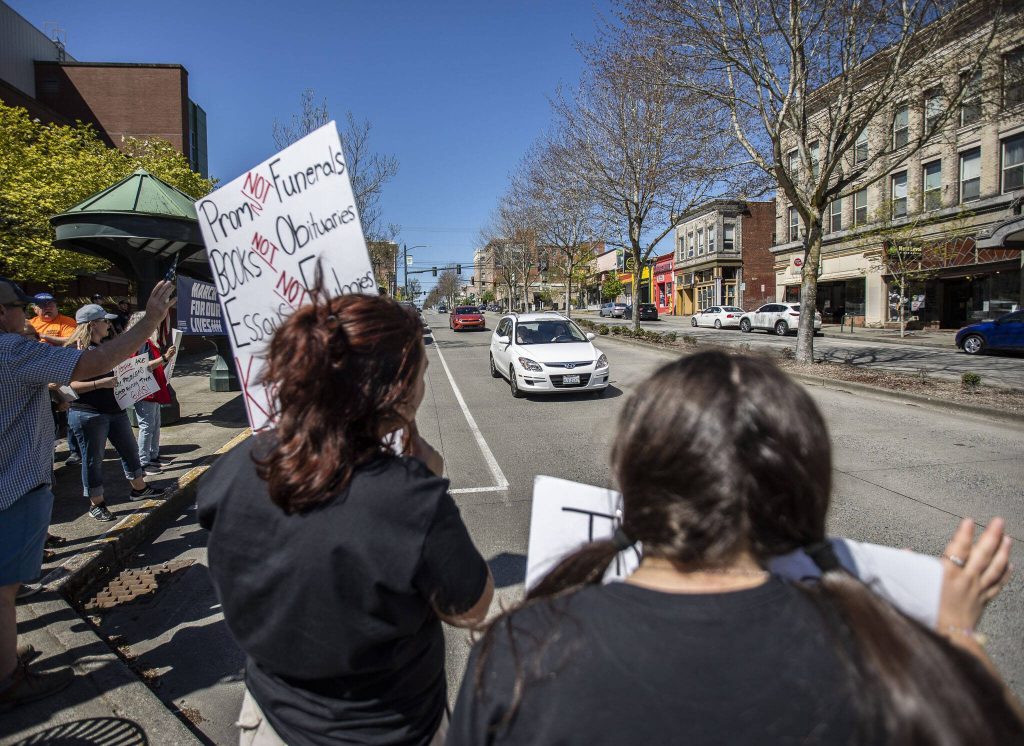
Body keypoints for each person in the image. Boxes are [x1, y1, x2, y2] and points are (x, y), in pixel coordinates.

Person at [448, 351, 1022, 745]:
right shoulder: (881, 653)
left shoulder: (517, 653)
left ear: (636, 476)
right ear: (804, 480)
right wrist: (956, 635)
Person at [197, 292, 493, 746]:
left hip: (269, 722)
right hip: (387, 730)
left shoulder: (232, 470)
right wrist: (427, 479)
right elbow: (471, 608)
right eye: (421, 374)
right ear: (394, 388)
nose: (423, 386)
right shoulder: (408, 499)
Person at [0, 277, 176, 711]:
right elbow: (89, 365)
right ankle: (7, 677)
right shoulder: (9, 350)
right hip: (14, 484)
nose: (29, 315)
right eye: (19, 307)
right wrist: (151, 319)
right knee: (5, 589)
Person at [65, 304, 166, 522]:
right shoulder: (75, 351)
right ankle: (96, 503)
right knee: (93, 460)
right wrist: (102, 383)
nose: (108, 325)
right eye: (104, 321)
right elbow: (66, 386)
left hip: (114, 410)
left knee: (129, 450)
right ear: (92, 324)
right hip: (88, 414)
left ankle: (139, 488)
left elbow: (130, 368)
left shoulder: (103, 348)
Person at [28, 292, 82, 466]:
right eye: (42, 306)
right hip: (39, 378)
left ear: (56, 306)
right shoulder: (30, 324)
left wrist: (43, 338)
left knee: (70, 411)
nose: (47, 308)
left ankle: (75, 451)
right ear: (35, 309)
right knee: (45, 415)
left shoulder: (66, 322)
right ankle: (49, 451)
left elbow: (71, 341)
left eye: (50, 304)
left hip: (63, 375)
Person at [126, 312, 176, 474]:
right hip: (145, 390)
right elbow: (143, 366)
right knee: (147, 426)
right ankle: (144, 461)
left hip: (150, 389)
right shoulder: (141, 343)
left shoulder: (142, 341)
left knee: (153, 424)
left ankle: (153, 456)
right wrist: (164, 358)